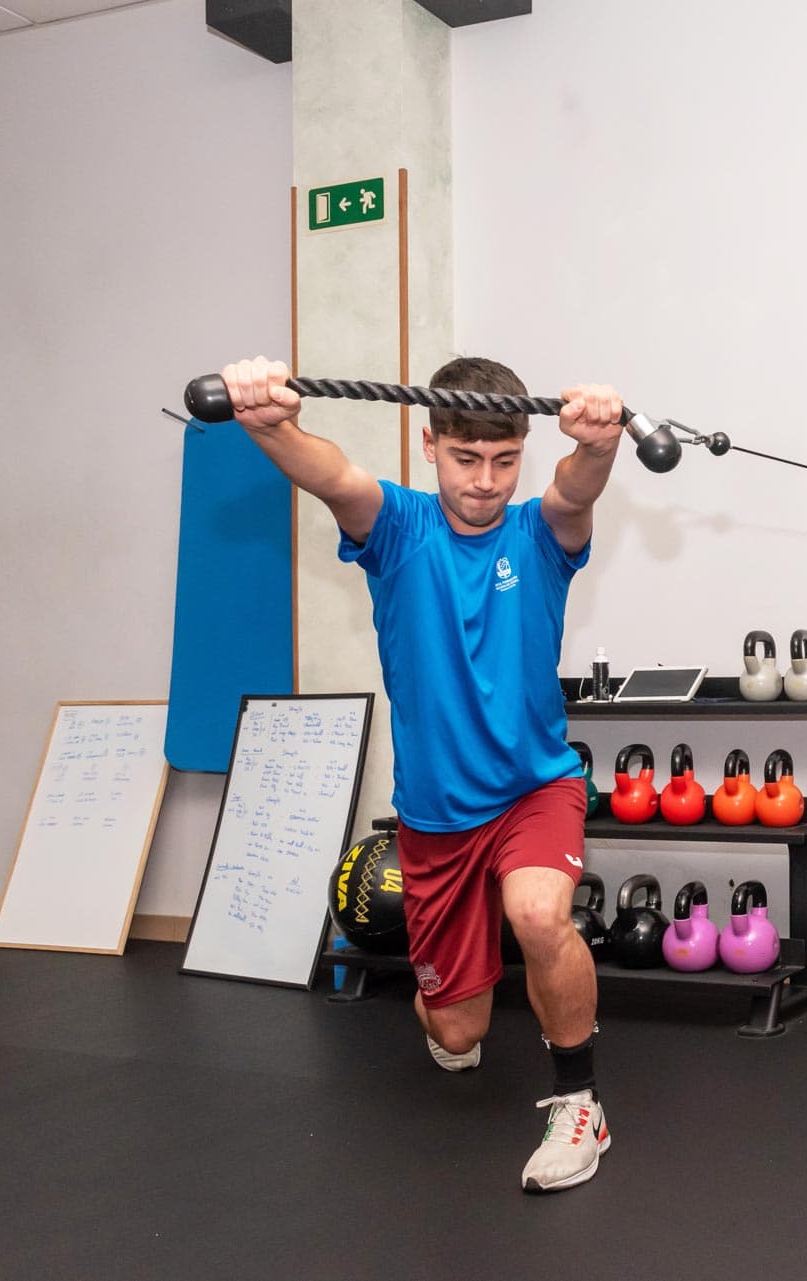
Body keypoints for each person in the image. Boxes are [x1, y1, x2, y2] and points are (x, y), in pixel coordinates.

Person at [220, 353, 620, 1193]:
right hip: (436, 815)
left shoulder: (538, 535)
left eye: (505, 460)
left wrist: (598, 439)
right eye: (466, 459)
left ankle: (579, 1101)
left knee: (539, 913)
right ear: (428, 440)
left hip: (533, 786)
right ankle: (450, 1002)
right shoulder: (398, 526)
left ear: (523, 450)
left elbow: (577, 489)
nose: (485, 481)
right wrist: (267, 421)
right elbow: (331, 473)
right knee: (458, 1033)